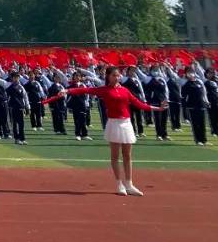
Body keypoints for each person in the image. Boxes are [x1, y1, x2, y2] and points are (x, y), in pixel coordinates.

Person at [47, 66, 167, 196]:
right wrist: (67, 91)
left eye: (118, 75)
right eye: (114, 75)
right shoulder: (104, 90)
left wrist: (157, 109)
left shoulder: (125, 90)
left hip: (126, 123)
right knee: (115, 156)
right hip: (114, 123)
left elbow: (139, 104)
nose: (117, 77)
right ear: (108, 77)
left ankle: (129, 184)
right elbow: (85, 90)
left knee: (127, 156)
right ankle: (119, 183)